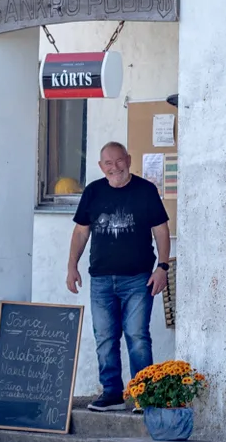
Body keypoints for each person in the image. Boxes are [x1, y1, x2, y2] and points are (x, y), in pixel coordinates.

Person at [66, 141, 171, 411]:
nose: (115, 167)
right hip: (100, 279)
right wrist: (71, 266)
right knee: (104, 337)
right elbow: (81, 232)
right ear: (101, 167)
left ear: (129, 159)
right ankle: (111, 394)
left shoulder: (146, 191)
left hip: (138, 279)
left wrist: (163, 267)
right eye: (108, 163)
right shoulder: (93, 191)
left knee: (137, 336)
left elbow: (161, 230)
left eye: (119, 161)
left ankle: (142, 395)